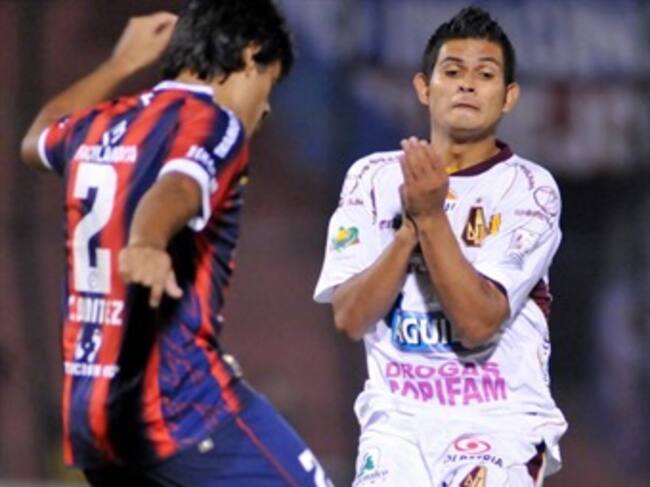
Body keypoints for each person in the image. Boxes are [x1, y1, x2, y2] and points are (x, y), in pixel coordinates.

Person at [21, 1, 331, 486]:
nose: (266, 107)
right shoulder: (213, 121)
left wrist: (120, 63)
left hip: (91, 416)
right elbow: (180, 187)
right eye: (268, 84)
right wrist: (146, 242)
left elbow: (36, 139)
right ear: (250, 55)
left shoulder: (100, 124)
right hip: (179, 409)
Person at [314, 6, 567, 487]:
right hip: (397, 425)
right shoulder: (371, 178)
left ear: (509, 97)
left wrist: (430, 216)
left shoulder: (530, 189)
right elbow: (350, 318)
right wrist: (410, 228)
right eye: (452, 72)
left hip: (498, 421)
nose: (467, 85)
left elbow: (477, 323)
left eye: (485, 75)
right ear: (424, 88)